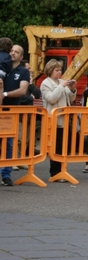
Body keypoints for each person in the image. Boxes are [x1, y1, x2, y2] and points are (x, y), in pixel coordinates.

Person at [41, 59, 77, 182]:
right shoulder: (45, 83)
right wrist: (61, 86)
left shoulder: (62, 82)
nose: (59, 72)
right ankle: (55, 173)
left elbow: (71, 99)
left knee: (63, 147)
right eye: (56, 70)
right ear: (50, 70)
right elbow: (51, 99)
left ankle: (62, 171)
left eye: (60, 70)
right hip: (53, 120)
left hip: (65, 119)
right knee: (55, 147)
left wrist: (72, 89)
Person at [0, 45, 30, 186]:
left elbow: (23, 90)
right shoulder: (3, 67)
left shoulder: (23, 71)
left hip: (10, 112)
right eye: (11, 51)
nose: (12, 53)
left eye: (16, 52)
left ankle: (6, 174)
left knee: (8, 143)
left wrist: (4, 94)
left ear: (21, 57)